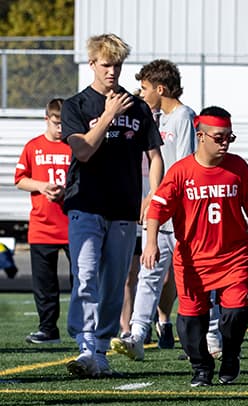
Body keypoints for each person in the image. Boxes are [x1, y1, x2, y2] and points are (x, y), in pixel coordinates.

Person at [61, 33, 164, 378]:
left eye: (117, 65)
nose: (112, 71)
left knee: (115, 281)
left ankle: (100, 347)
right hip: (85, 203)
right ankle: (86, 345)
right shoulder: (76, 105)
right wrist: (107, 116)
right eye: (106, 64)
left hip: (123, 207)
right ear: (92, 64)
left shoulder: (138, 108)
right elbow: (83, 150)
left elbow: (155, 154)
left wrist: (154, 193)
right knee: (86, 276)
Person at [143, 106, 248, 387]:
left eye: (229, 138)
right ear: (200, 136)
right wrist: (151, 243)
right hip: (193, 259)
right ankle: (201, 367)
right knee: (190, 324)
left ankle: (231, 355)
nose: (225, 143)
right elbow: (156, 210)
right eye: (219, 138)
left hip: (233, 256)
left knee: (236, 313)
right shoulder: (180, 172)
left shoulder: (238, 167)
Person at [111, 59, 197, 360]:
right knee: (149, 271)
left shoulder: (184, 116)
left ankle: (204, 337)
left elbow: (185, 166)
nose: (141, 92)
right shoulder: (156, 119)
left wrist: (157, 196)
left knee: (192, 275)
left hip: (183, 212)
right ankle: (136, 334)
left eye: (145, 88)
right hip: (161, 210)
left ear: (161, 88)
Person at [15, 98, 72, 344]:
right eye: (56, 123)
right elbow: (20, 179)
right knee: (44, 284)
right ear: (47, 119)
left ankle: (85, 330)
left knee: (83, 281)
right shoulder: (33, 146)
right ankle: (48, 329)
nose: (61, 128)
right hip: (42, 226)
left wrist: (65, 190)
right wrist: (41, 186)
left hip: (73, 224)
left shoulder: (75, 145)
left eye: (64, 123)